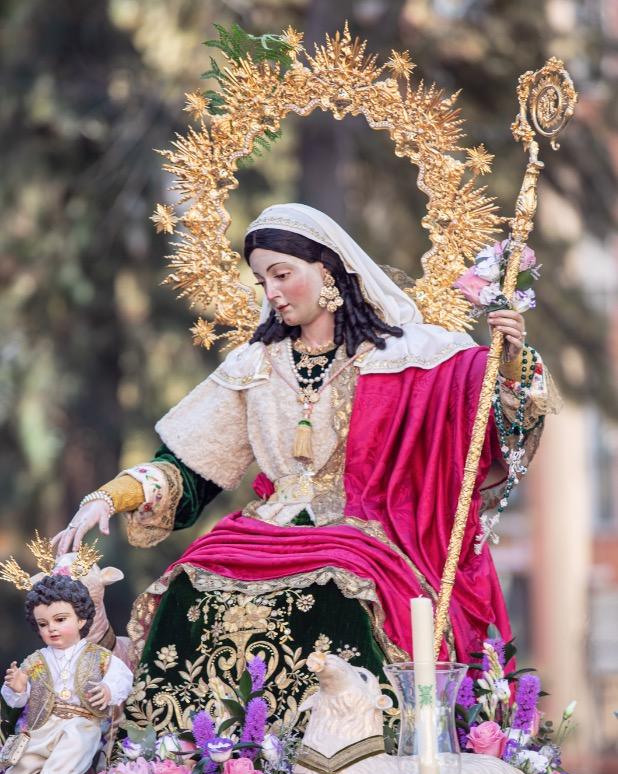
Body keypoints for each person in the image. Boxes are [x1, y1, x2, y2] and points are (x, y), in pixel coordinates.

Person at [53, 204, 558, 733]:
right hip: (267, 525)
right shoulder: (254, 365)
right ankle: (191, 764)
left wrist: (511, 360)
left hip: (368, 529)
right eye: (261, 279)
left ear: (329, 270)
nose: (270, 291)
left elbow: (494, 420)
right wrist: (108, 497)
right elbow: (188, 466)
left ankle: (359, 747)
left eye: (281, 274)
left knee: (341, 581)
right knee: (192, 581)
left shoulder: (413, 354)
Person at [1, 573, 133, 774]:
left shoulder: (98, 656)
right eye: (43, 623)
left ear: (81, 618)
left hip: (83, 720)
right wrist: (17, 688)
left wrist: (108, 689)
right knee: (26, 755)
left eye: (60, 620)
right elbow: (18, 700)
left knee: (77, 738)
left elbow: (122, 677)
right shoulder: (35, 660)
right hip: (45, 723)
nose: (51, 628)